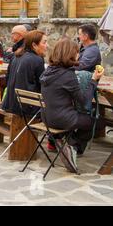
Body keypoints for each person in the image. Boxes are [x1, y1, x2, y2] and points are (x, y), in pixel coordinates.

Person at [40, 38, 104, 173]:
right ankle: (73, 146)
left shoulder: (48, 70)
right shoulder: (68, 75)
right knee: (97, 122)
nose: (78, 55)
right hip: (62, 119)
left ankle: (63, 141)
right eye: (76, 52)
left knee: (79, 116)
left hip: (46, 117)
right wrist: (94, 80)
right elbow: (84, 101)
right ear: (70, 54)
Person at [1, 30, 47, 116]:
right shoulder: (37, 59)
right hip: (26, 109)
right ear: (34, 45)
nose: (46, 46)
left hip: (9, 104)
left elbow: (7, 79)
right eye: (44, 42)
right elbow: (42, 86)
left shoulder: (15, 56)